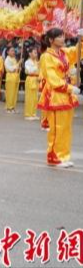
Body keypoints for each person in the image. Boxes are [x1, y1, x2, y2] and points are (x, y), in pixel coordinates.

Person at [38, 28, 82, 167]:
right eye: (59, 36)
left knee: (66, 128)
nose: (63, 38)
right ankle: (54, 157)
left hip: (66, 95)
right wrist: (70, 88)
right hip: (56, 95)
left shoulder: (63, 53)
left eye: (63, 36)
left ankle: (63, 155)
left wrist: (81, 38)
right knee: (57, 128)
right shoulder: (46, 56)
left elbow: (78, 51)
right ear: (51, 40)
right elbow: (53, 79)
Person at [24, 47, 40, 120]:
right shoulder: (27, 62)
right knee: (29, 97)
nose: (36, 54)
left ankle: (33, 113)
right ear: (30, 54)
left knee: (35, 98)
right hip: (30, 78)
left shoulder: (37, 62)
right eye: (34, 52)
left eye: (36, 52)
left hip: (36, 79)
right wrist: (37, 66)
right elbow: (29, 71)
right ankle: (28, 114)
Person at [4, 46, 21, 113]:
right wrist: (18, 64)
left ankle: (13, 107)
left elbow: (16, 68)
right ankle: (9, 107)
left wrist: (19, 68)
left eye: (14, 50)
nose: (13, 52)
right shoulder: (7, 60)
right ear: (8, 52)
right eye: (11, 50)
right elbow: (10, 69)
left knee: (15, 93)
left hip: (15, 77)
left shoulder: (14, 59)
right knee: (10, 93)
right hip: (10, 77)